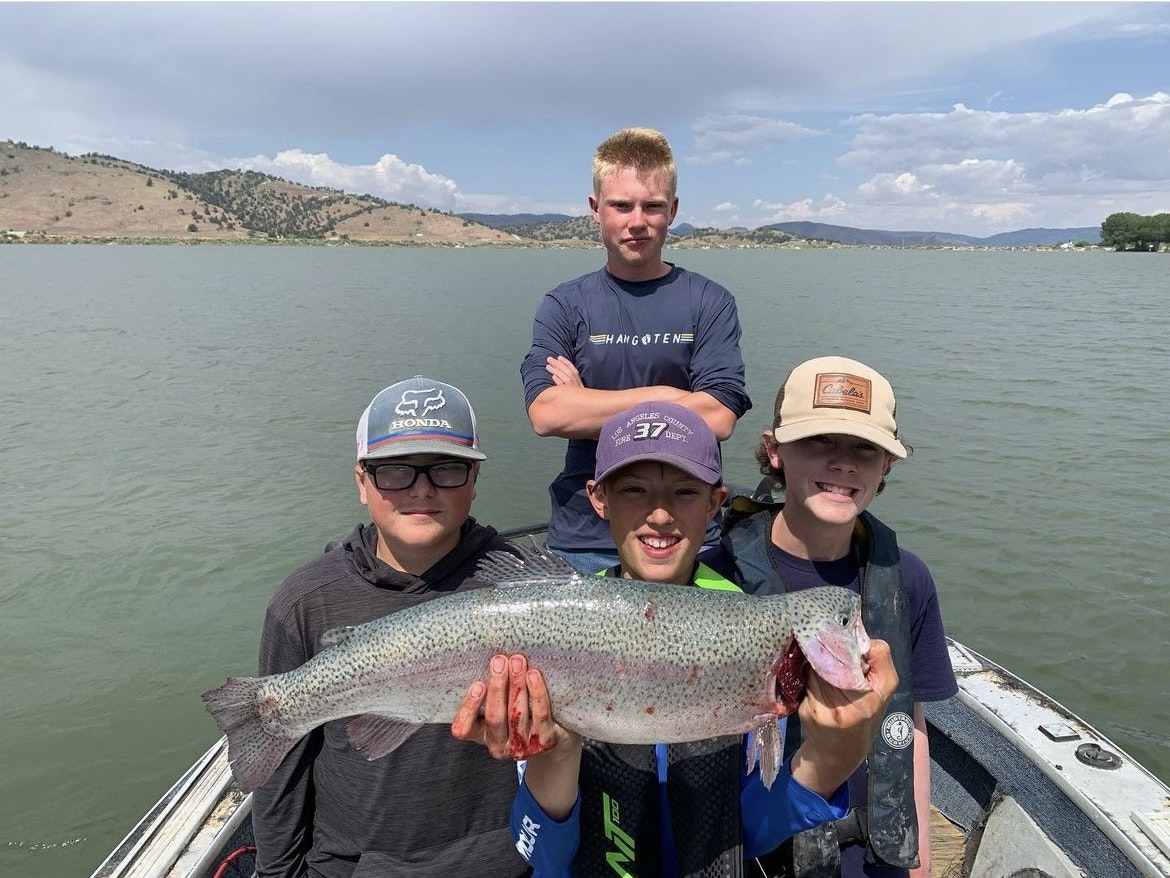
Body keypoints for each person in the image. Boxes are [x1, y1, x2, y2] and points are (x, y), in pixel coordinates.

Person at [452, 401, 898, 878]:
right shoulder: (547, 626)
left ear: (715, 502)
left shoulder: (755, 629)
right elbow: (542, 855)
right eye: (635, 491)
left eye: (684, 492)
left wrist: (835, 754)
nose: (659, 514)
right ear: (598, 498)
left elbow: (753, 833)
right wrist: (557, 752)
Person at [251, 376, 528, 878]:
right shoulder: (305, 603)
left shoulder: (524, 589)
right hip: (351, 865)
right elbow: (280, 770)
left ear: (474, 478)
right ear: (361, 481)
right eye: (395, 472)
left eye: (447, 469)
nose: (422, 490)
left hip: (503, 861)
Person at [721, 356, 958, 878]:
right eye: (819, 441)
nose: (843, 463)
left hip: (869, 856)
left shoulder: (906, 579)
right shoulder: (718, 573)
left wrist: (918, 861)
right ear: (774, 450)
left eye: (864, 449)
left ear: (886, 465)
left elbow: (907, 722)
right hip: (749, 846)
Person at [520, 127, 752, 574]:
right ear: (595, 210)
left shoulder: (709, 301)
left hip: (686, 534)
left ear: (674, 210)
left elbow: (720, 417)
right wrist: (671, 398)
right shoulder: (565, 304)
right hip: (584, 535)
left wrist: (587, 403)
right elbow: (547, 414)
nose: (637, 221)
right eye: (621, 205)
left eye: (653, 206)